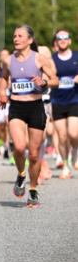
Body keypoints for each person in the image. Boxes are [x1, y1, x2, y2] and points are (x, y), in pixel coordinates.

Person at [0, 25, 58, 207]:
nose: (16, 39)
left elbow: (55, 80)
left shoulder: (40, 59)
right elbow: (4, 78)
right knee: (19, 146)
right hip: (16, 106)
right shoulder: (8, 60)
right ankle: (21, 174)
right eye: (14, 36)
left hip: (36, 107)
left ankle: (32, 190)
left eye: (20, 36)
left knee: (33, 154)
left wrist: (44, 82)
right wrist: (1, 91)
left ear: (30, 40)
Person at [50, 29, 78, 178]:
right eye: (59, 38)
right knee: (61, 136)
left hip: (75, 99)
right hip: (57, 101)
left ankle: (75, 150)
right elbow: (47, 75)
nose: (62, 40)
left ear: (69, 41)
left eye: (65, 37)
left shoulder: (76, 56)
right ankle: (65, 166)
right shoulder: (52, 59)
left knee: (73, 133)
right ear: (56, 41)